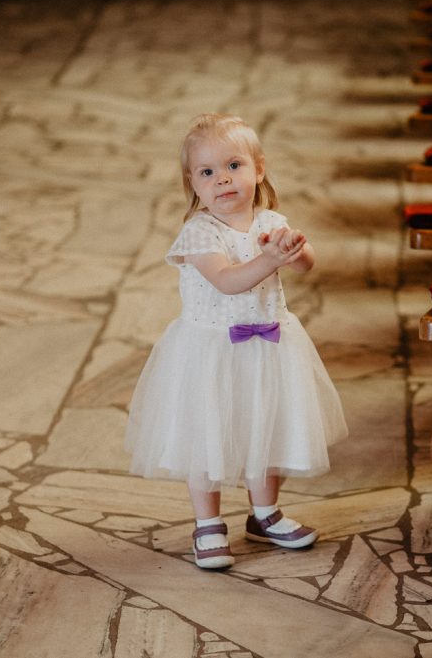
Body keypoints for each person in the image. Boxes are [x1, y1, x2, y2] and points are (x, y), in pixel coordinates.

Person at [125, 113, 349, 569]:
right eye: (207, 172)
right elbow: (228, 281)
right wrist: (270, 259)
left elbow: (306, 264)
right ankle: (208, 523)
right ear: (193, 183)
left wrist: (294, 248)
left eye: (233, 166)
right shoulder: (199, 232)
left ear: (258, 169)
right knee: (207, 434)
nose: (222, 179)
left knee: (268, 426)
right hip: (211, 353)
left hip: (270, 348)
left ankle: (265, 514)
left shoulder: (270, 221)